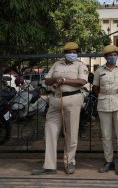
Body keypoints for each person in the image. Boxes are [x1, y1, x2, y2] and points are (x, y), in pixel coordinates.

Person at [32, 42, 88, 175]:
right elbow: (47, 80)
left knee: (71, 132)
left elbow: (82, 81)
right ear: (64, 53)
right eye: (69, 52)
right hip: (55, 99)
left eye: (75, 52)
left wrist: (64, 80)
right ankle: (50, 166)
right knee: (50, 131)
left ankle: (70, 162)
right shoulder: (57, 64)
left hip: (72, 99)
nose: (72, 54)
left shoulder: (80, 65)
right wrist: (57, 78)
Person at [93, 45, 118, 175]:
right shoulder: (99, 71)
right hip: (104, 104)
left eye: (115, 55)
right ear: (105, 57)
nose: (113, 57)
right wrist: (104, 96)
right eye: (110, 55)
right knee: (106, 135)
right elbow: (95, 88)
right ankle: (109, 161)